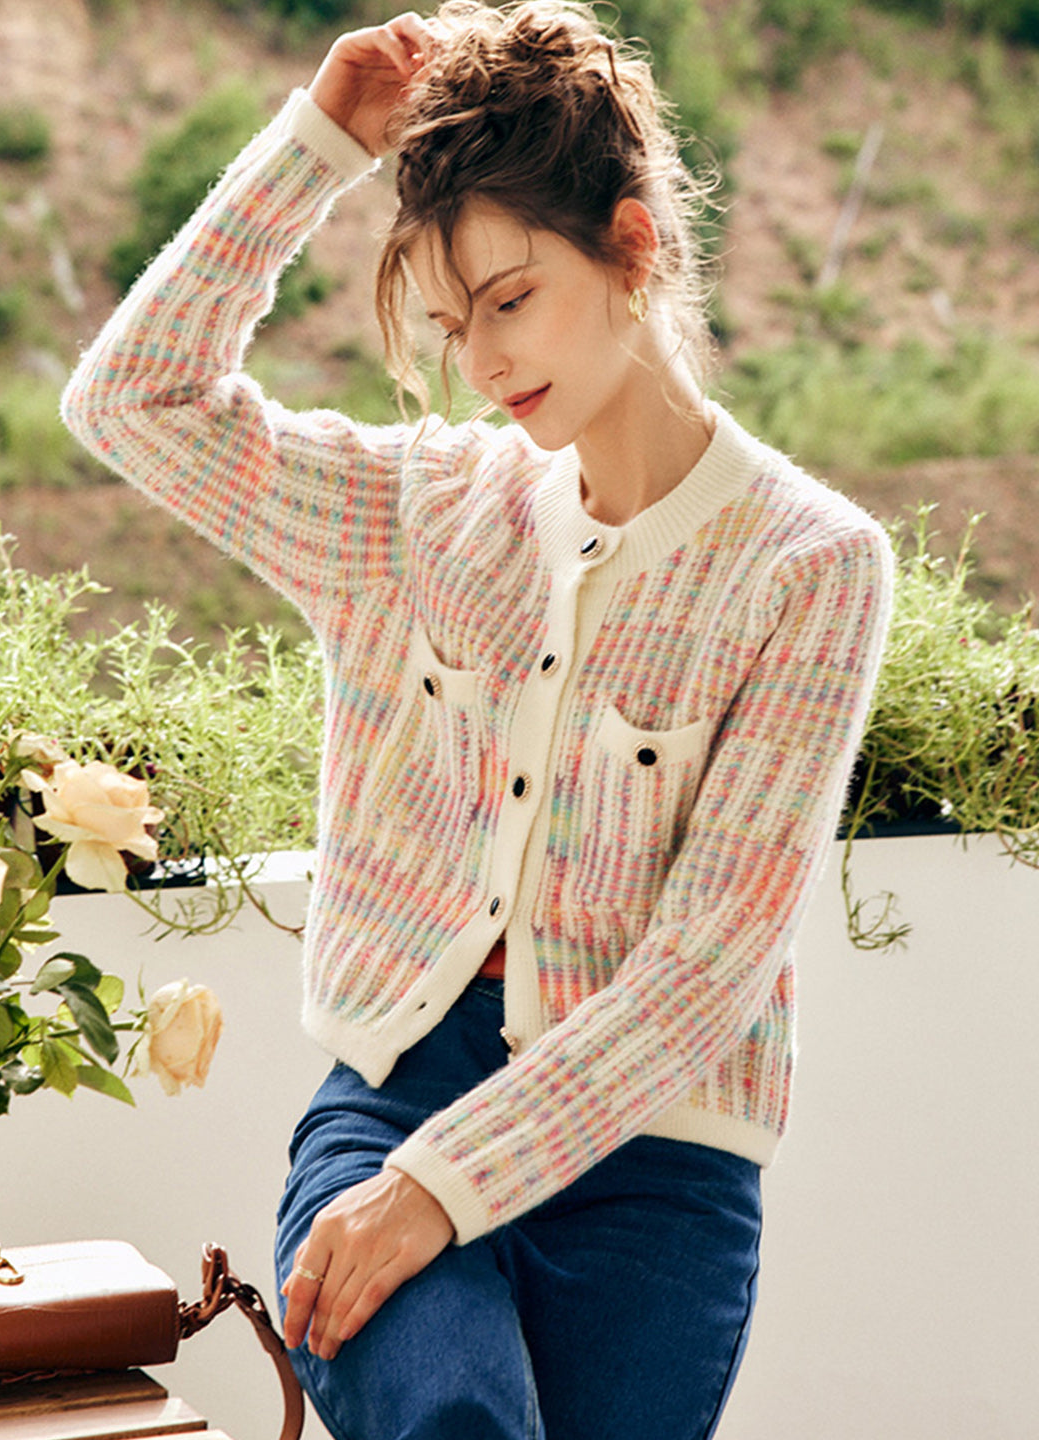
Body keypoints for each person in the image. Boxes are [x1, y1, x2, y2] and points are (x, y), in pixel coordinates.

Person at [62, 3, 894, 1436]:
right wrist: (315, 147)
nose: (486, 363)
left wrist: (442, 1195)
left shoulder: (809, 568)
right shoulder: (417, 511)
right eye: (456, 327)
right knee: (454, 1413)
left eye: (510, 300)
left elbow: (709, 963)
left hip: (655, 1155)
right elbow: (132, 402)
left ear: (631, 250)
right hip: (399, 1092)